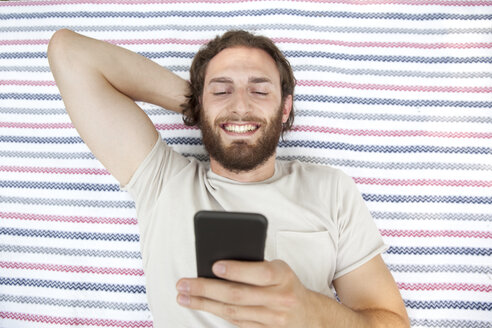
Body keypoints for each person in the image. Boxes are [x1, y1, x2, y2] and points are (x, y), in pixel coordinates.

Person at [48, 29, 409, 327]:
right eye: (221, 90)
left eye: (260, 90)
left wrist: (312, 313)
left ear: (285, 108)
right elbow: (68, 52)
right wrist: (200, 106)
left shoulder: (331, 189)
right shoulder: (161, 180)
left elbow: (392, 321)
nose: (239, 105)